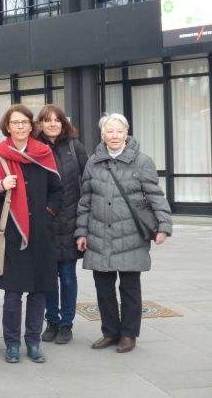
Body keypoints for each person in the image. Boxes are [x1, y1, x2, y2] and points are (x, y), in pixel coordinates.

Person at [75, 113, 172, 354]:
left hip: (131, 235)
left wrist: (163, 226)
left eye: (119, 131)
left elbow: (155, 196)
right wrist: (81, 232)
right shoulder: (93, 162)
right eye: (110, 131)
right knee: (103, 289)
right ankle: (110, 332)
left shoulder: (142, 161)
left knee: (129, 287)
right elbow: (85, 200)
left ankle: (129, 334)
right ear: (102, 135)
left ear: (126, 133)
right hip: (98, 234)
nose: (115, 136)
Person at [0, 104, 63, 364]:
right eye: (15, 123)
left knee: (39, 292)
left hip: (41, 234)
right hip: (12, 235)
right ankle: (13, 344)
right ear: (7, 127)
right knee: (14, 293)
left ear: (31, 126)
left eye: (24, 123)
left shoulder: (44, 153)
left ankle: (34, 342)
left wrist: (48, 212)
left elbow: (58, 191)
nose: (20, 127)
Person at [34, 105, 88, 345]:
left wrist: (83, 227)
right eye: (47, 120)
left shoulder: (74, 148)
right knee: (48, 277)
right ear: (41, 124)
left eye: (57, 120)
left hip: (70, 222)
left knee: (67, 276)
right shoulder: (35, 148)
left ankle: (66, 323)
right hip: (44, 222)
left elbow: (87, 185)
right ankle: (51, 321)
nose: (53, 124)